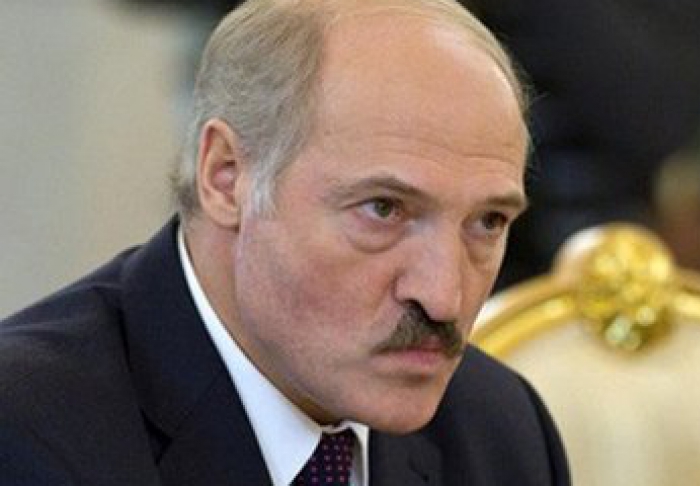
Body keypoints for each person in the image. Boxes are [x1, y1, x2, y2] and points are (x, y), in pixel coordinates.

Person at [0, 0, 570, 484]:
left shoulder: (498, 430)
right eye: (384, 210)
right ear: (226, 177)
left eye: (488, 222)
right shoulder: (25, 437)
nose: (444, 297)